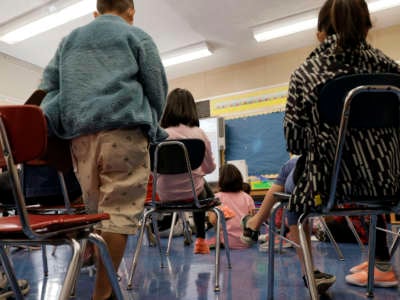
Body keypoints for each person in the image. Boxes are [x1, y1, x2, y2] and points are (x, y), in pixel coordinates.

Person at [38, 0, 168, 299]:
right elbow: (156, 87)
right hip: (123, 131)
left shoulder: (69, 40)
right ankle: (102, 294)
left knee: (96, 214)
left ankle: (101, 283)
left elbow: (49, 87)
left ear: (95, 13)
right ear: (131, 11)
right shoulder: (137, 36)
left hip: (80, 138)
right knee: (118, 215)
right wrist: (152, 124)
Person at [283, 0, 400, 292]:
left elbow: (295, 142)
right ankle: (380, 263)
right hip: (390, 183)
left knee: (291, 186)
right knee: (372, 168)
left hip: (331, 186)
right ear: (367, 27)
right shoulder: (393, 72)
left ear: (320, 32)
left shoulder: (305, 73)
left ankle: (311, 274)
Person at [157, 88, 216, 254]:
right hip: (194, 195)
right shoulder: (199, 134)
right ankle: (201, 240)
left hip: (164, 196)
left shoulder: (159, 135)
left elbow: (152, 171)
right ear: (192, 109)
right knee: (200, 186)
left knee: (198, 185)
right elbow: (209, 168)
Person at [207, 164, 255, 249]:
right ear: (240, 179)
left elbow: (212, 220)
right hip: (247, 242)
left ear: (220, 180)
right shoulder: (247, 197)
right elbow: (253, 220)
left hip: (226, 241)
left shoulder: (217, 197)